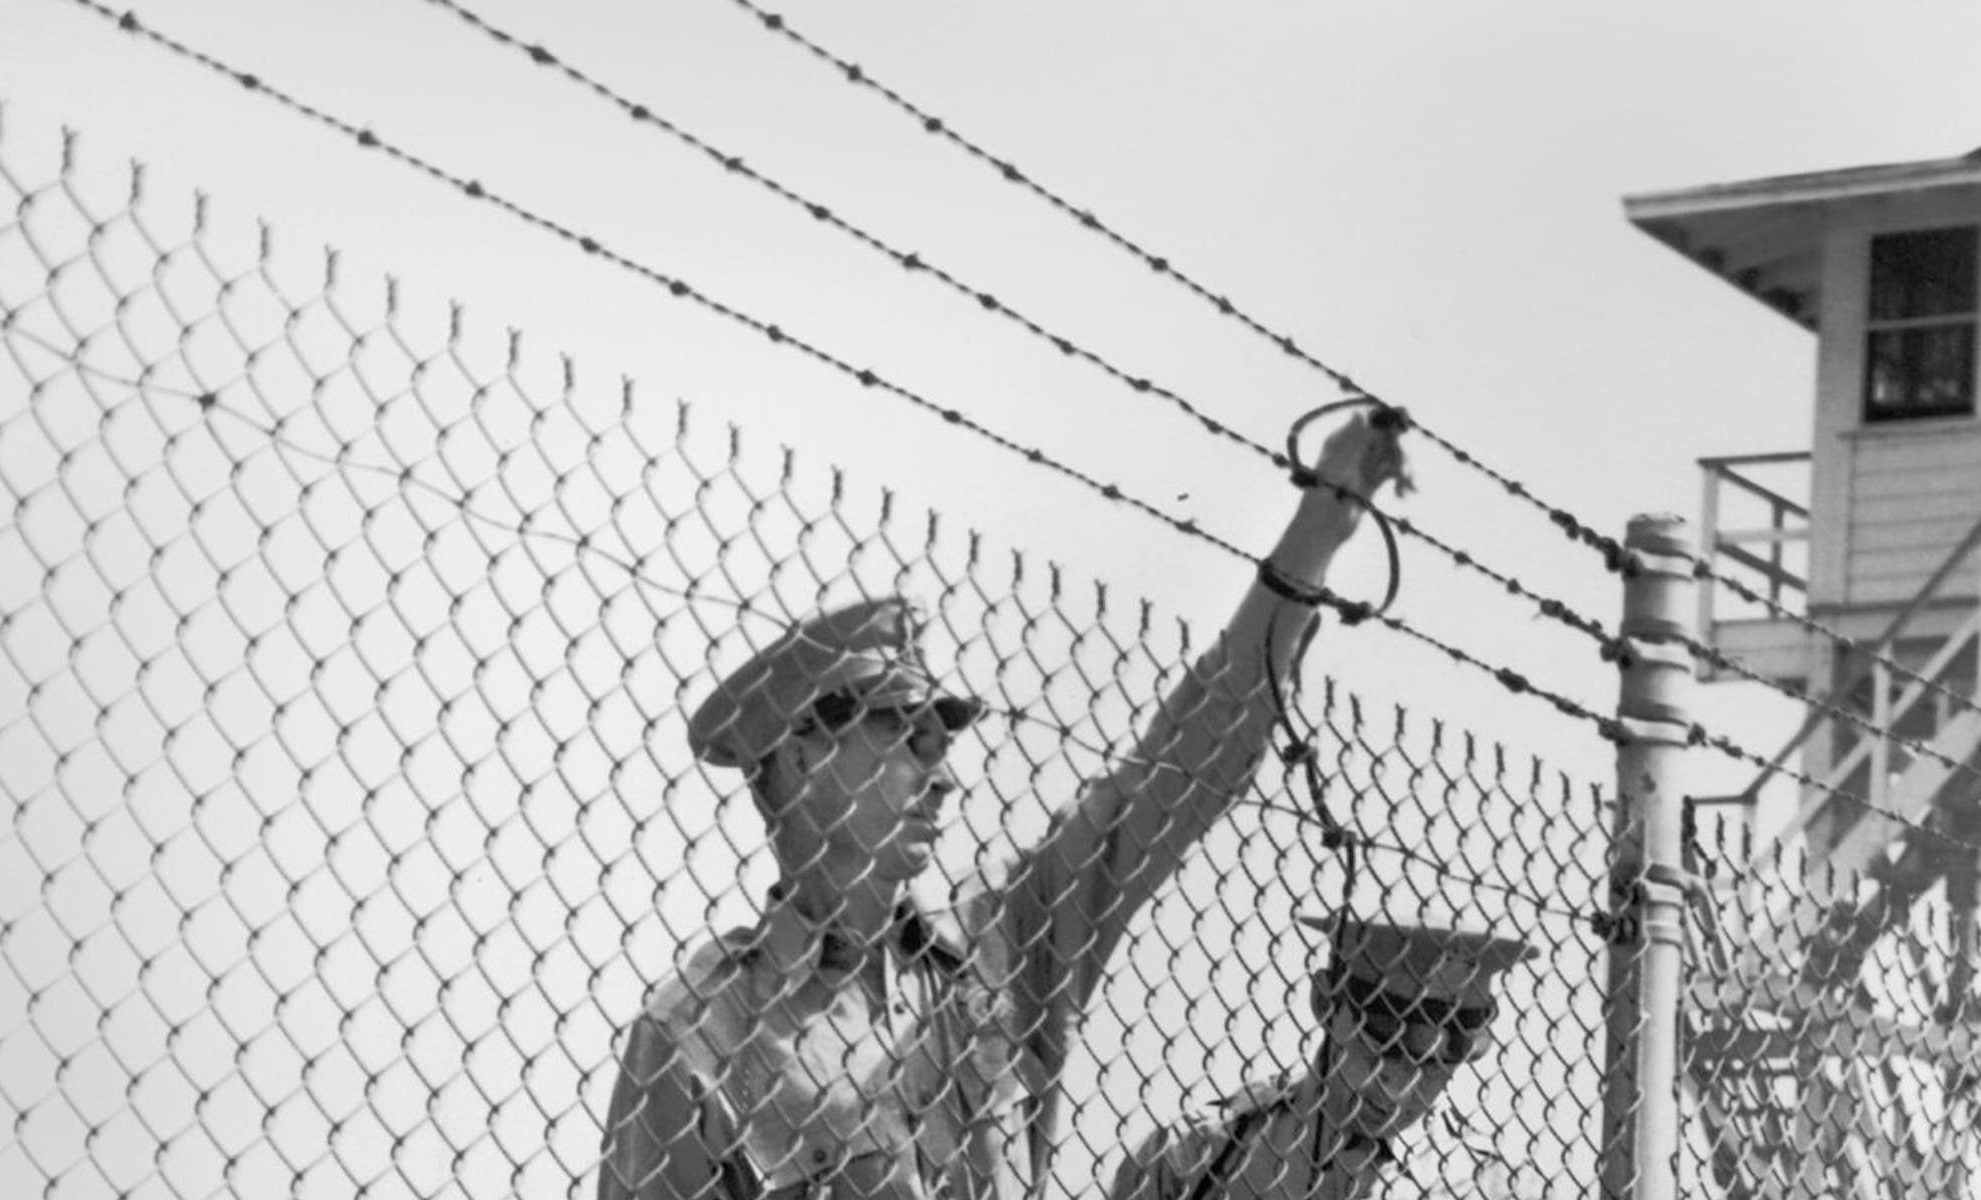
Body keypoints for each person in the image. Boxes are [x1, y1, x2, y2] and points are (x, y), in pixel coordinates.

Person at [597, 415, 1409, 1200]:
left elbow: (1176, 777)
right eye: (909, 740)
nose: (943, 776)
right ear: (806, 754)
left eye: (941, 743)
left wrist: (1315, 533)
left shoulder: (1000, 946)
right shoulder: (699, 1032)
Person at [1110, 914, 1543, 1200]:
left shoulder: (1493, 1184)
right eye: (1384, 1043)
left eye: (1435, 1063)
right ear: (1325, 1003)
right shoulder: (1193, 1161)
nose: (1401, 1085)